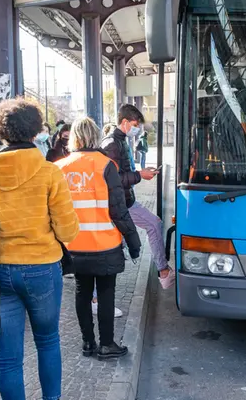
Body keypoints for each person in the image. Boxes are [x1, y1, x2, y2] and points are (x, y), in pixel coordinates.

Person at [0, 98, 80, 400]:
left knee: (8, 356)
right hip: (42, 269)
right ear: (36, 130)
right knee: (48, 341)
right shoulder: (49, 173)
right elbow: (68, 232)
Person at [57, 117, 142, 360]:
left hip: (73, 245)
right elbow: (119, 209)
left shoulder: (59, 167)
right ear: (95, 136)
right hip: (105, 244)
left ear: (74, 137)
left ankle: (87, 343)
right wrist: (134, 243)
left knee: (82, 292)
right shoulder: (106, 166)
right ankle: (107, 345)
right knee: (106, 293)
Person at [102, 104, 174, 289]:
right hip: (120, 204)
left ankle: (163, 271)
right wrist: (140, 175)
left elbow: (124, 173)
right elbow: (113, 179)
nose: (137, 129)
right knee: (150, 226)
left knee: (152, 225)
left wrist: (141, 172)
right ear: (125, 122)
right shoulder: (112, 144)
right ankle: (163, 272)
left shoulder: (120, 141)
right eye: (135, 125)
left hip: (126, 201)